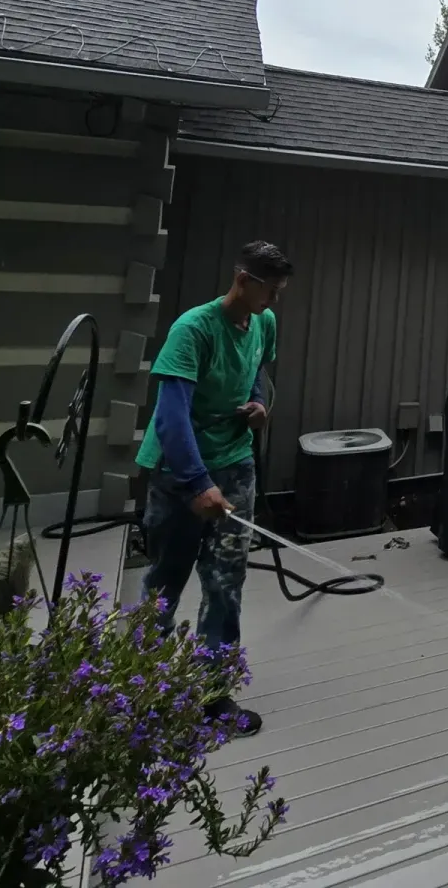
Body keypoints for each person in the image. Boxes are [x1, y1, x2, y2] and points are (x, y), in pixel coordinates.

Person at [133, 239, 292, 736]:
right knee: (166, 578)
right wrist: (196, 483)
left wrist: (258, 404)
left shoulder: (263, 321)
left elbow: (257, 372)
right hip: (179, 472)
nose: (275, 300)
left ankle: (211, 693)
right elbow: (170, 415)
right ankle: (144, 691)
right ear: (243, 281)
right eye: (270, 290)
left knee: (226, 581)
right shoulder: (193, 329)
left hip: (235, 463)